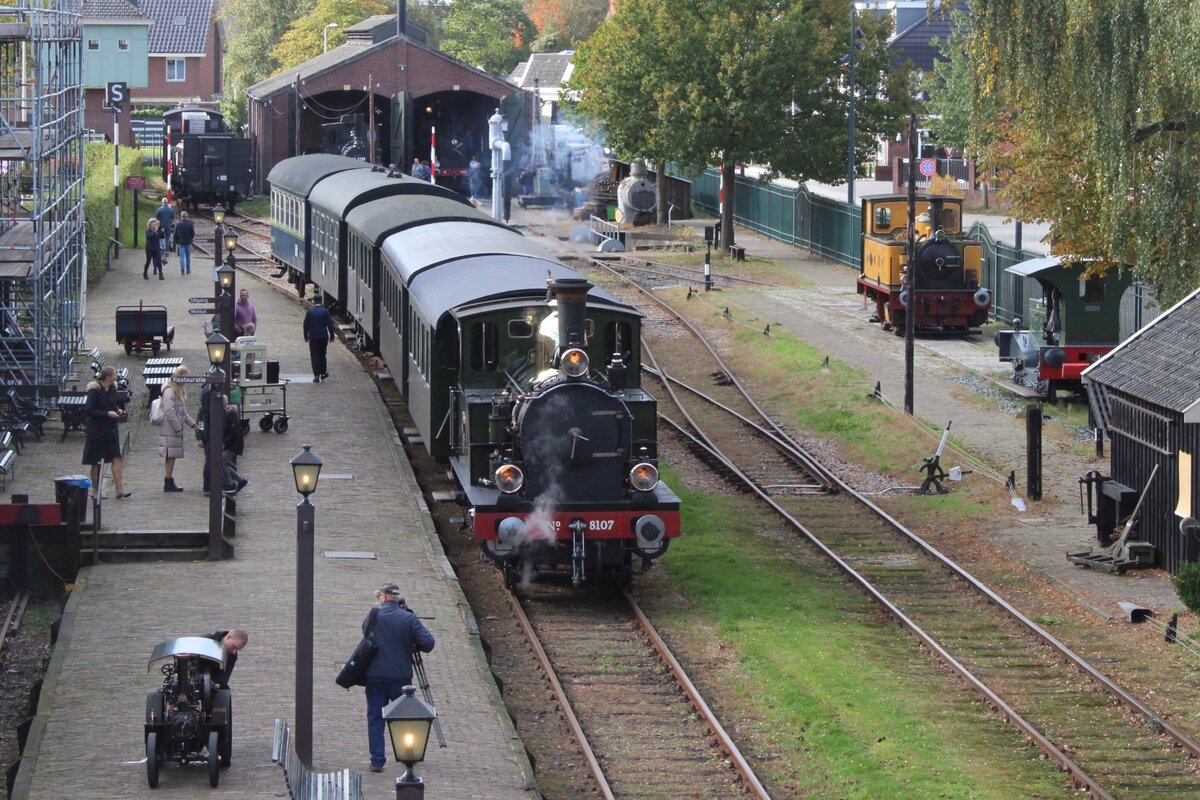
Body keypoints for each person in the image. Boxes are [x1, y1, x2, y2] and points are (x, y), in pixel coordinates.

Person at [363, 584, 435, 772]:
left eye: (379, 595)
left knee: (375, 718)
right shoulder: (409, 618)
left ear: (385, 598)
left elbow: (365, 634)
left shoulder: (374, 616)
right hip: (400, 678)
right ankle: (408, 753)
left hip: (375, 677)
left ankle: (377, 760)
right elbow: (428, 643)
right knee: (404, 718)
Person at [82, 366, 131, 499]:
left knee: (116, 458)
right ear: (108, 377)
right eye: (115, 374)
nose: (116, 376)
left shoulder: (112, 388)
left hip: (111, 429)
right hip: (97, 431)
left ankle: (120, 489)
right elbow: (89, 410)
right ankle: (96, 490)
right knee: (97, 461)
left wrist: (117, 410)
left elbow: (112, 404)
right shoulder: (95, 391)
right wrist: (106, 414)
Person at [159, 365, 199, 492]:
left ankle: (169, 480)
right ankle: (168, 481)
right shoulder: (170, 391)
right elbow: (169, 411)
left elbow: (182, 412)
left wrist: (193, 424)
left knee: (172, 454)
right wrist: (177, 429)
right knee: (171, 454)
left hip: (172, 427)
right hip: (170, 428)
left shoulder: (177, 390)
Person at [302, 297, 338, 382]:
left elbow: (305, 325)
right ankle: (323, 373)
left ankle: (316, 376)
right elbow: (330, 325)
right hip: (323, 337)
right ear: (321, 301)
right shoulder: (325, 312)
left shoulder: (310, 312)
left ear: (314, 301)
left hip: (313, 337)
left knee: (314, 356)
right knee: (322, 354)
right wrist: (332, 336)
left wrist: (305, 336)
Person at [173, 210, 195, 275]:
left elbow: (175, 233)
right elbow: (193, 234)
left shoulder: (178, 224)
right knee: (188, 257)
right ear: (187, 216)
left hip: (181, 242)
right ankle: (188, 270)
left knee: (181, 257)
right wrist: (190, 239)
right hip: (188, 242)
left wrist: (175, 241)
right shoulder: (190, 224)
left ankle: (182, 270)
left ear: (181, 216)